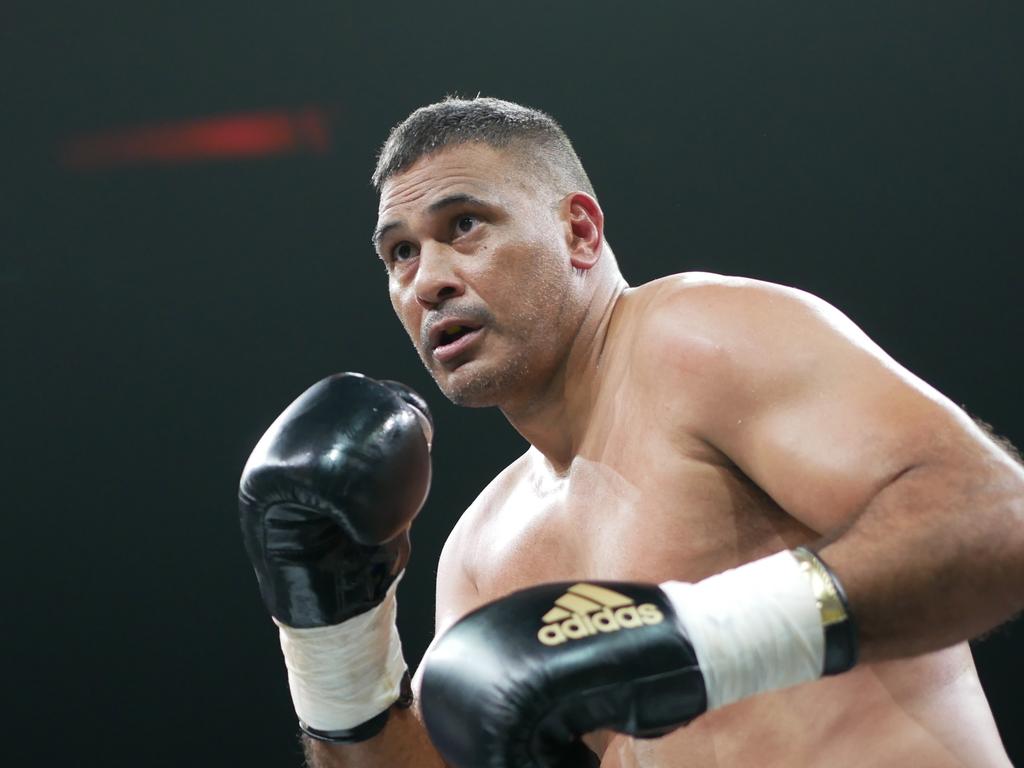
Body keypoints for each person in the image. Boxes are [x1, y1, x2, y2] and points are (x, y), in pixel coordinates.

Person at [239, 97, 1024, 767]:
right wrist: (335, 649)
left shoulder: (699, 339)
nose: (428, 279)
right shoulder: (482, 554)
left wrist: (691, 639)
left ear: (580, 232)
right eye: (400, 252)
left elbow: (997, 516)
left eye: (466, 225)